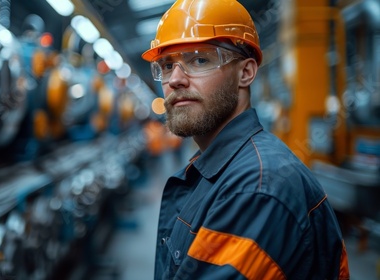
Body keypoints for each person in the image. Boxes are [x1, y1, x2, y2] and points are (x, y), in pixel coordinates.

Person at [141, 0, 350, 279]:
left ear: (246, 73)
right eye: (167, 66)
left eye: (199, 59)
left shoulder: (257, 189)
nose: (175, 79)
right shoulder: (219, 169)